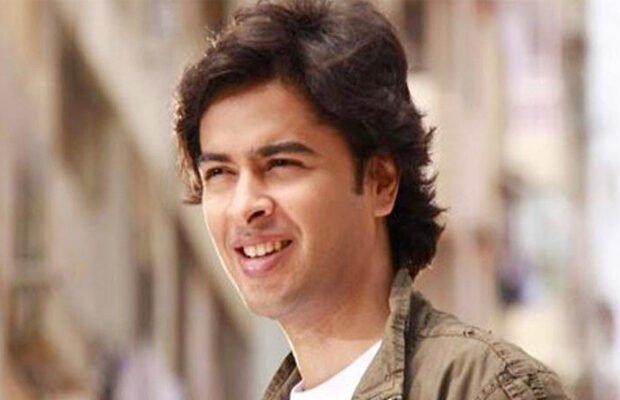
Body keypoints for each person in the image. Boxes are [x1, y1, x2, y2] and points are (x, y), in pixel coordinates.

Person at [173, 0, 571, 398]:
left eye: (281, 164)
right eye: (219, 173)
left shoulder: (485, 388)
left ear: (381, 182)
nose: (245, 205)